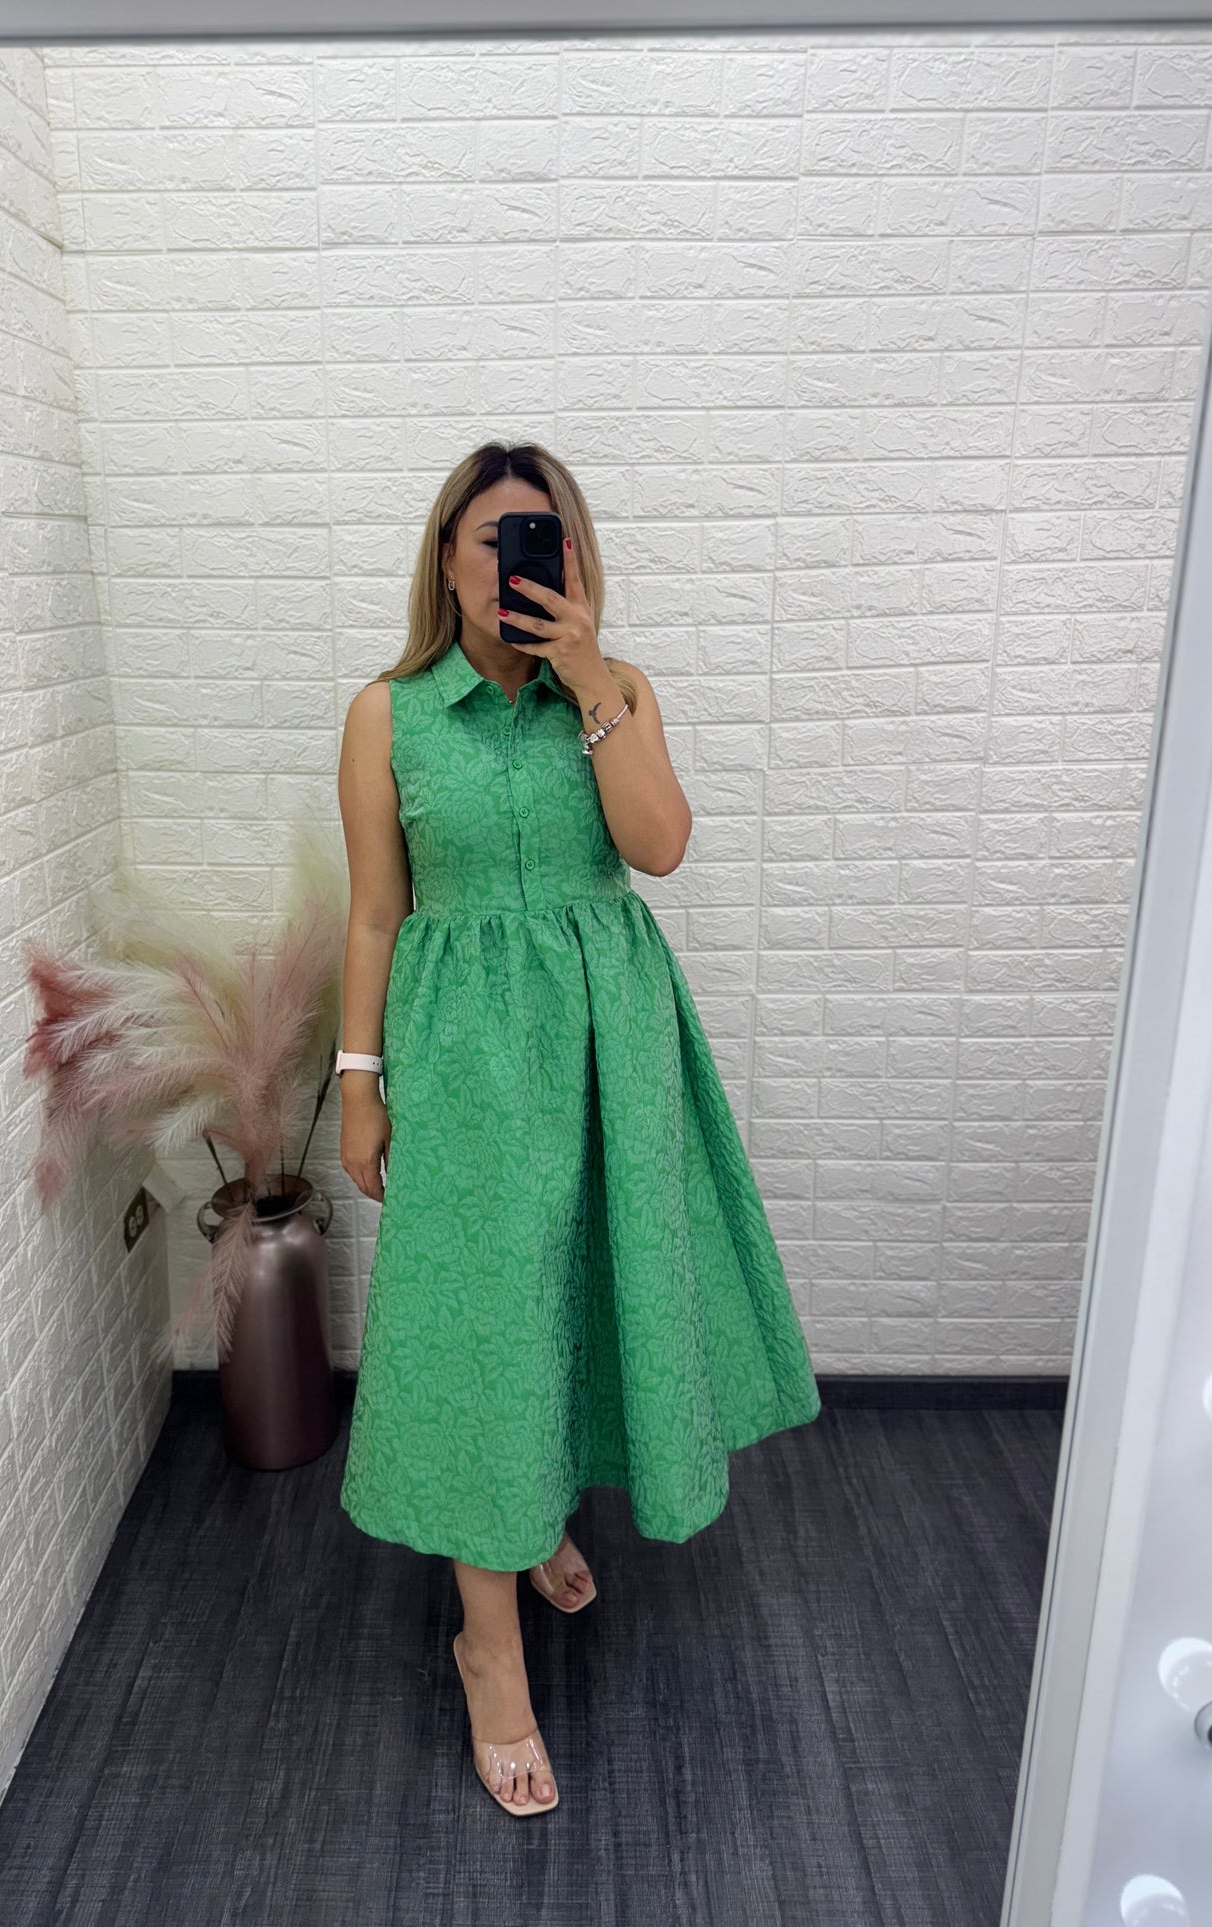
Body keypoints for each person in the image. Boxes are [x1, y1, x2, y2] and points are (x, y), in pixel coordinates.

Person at [335, 441, 821, 1817]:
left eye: (538, 538)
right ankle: (488, 1651)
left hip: (610, 1045)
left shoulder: (614, 692)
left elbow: (658, 848)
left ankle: (534, 1510)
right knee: (483, 1326)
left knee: (578, 1297)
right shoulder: (385, 714)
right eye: (491, 539)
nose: (513, 563)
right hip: (465, 1058)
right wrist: (360, 1082)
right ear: (446, 559)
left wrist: (594, 681)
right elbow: (374, 913)